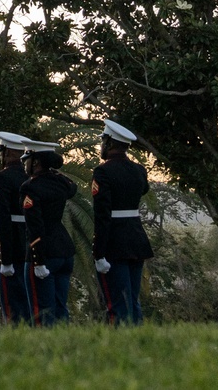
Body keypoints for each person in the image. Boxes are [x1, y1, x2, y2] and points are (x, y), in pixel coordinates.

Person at [91, 119, 153, 325]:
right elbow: (143, 190)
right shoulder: (138, 170)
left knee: (117, 303)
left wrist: (98, 253)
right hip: (136, 238)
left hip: (114, 242)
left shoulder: (103, 172)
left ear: (109, 143)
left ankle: (123, 347)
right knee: (132, 300)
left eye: (103, 142)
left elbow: (102, 214)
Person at [19, 141, 76, 327]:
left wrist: (38, 260)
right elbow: (72, 187)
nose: (25, 164)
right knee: (61, 309)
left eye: (27, 160)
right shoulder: (60, 182)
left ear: (35, 162)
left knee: (42, 312)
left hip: (45, 252)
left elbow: (34, 226)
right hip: (64, 249)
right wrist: (54, 172)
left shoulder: (30, 187)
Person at [0, 131, 38, 326]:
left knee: (12, 303)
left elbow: (3, 219)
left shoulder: (2, 178)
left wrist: (6, 259)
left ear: (7, 153)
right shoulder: (32, 178)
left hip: (13, 246)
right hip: (32, 244)